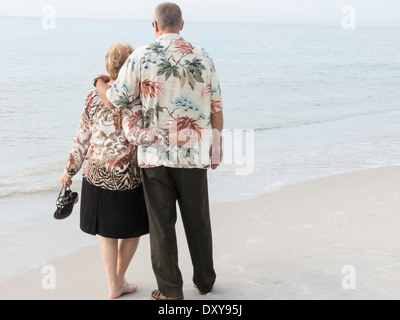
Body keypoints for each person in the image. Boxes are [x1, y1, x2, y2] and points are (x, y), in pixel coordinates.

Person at [95, 2, 224, 300]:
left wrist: (99, 83)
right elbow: (216, 106)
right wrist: (217, 147)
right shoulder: (203, 56)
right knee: (198, 220)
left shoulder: (141, 56)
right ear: (182, 24)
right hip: (193, 155)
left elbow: (115, 99)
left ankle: (170, 291)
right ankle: (204, 282)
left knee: (162, 225)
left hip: (155, 159)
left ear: (154, 25)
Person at [60, 43, 167, 299]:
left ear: (108, 65)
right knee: (130, 231)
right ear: (131, 64)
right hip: (128, 175)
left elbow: (82, 137)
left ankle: (114, 284)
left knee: (107, 233)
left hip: (96, 173)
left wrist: (69, 170)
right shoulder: (137, 94)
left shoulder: (92, 95)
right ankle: (119, 280)